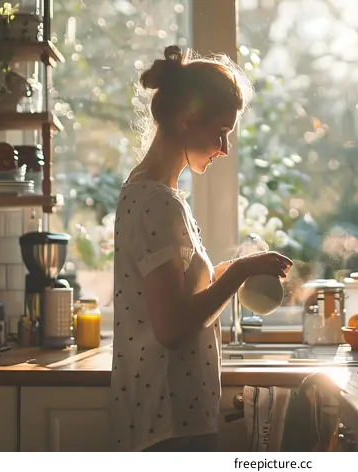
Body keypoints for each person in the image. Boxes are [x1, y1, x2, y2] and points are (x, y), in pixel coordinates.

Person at [109, 45, 293, 452]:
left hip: (165, 412)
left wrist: (229, 269)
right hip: (169, 419)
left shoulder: (153, 194)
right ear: (189, 120)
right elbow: (172, 328)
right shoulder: (158, 201)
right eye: (222, 131)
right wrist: (241, 273)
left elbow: (175, 295)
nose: (225, 148)